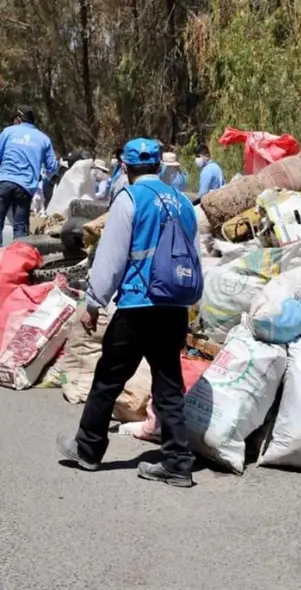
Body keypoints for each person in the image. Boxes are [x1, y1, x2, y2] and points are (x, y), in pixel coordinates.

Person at [57, 137, 199, 488]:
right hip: (175, 306)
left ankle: (87, 449)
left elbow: (112, 257)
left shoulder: (130, 199)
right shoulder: (183, 202)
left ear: (125, 166)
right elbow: (194, 257)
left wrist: (94, 302)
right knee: (168, 384)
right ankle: (178, 464)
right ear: (160, 166)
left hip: (138, 306)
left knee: (108, 378)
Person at [0, 105, 58, 240]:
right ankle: (18, 258)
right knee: (20, 228)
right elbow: (52, 167)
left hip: (4, 182)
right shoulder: (43, 139)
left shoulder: (8, 132)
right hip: (25, 188)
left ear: (18, 119)